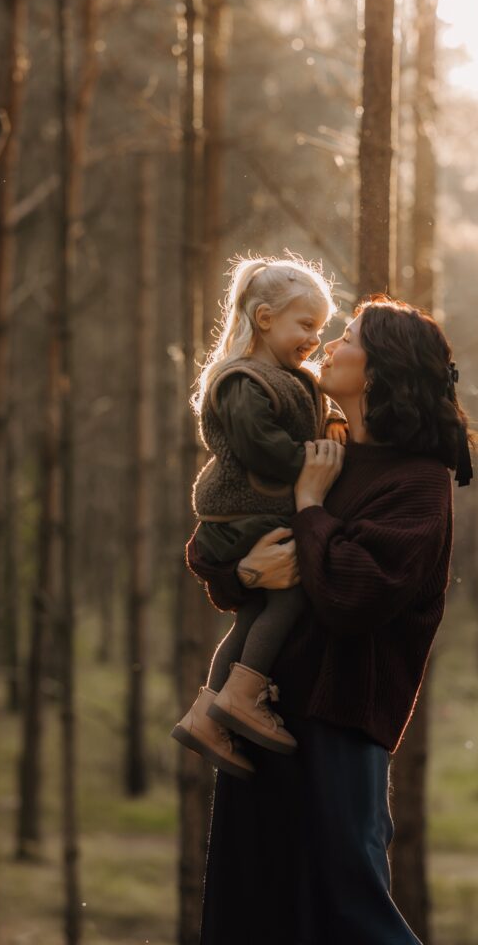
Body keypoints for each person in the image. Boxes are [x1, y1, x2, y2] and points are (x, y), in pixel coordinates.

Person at [185, 294, 478, 945]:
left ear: (377, 372)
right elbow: (225, 551)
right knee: (248, 908)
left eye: (349, 339)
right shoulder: (321, 452)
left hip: (339, 722)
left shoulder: (417, 483)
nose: (331, 347)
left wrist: (312, 508)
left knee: (350, 913)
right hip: (256, 716)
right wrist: (245, 575)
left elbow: (352, 595)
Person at [171, 255, 348, 778]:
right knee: (291, 591)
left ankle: (209, 713)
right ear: (266, 318)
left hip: (257, 513)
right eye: (306, 325)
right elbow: (259, 445)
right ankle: (245, 697)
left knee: (254, 615)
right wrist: (310, 467)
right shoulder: (242, 380)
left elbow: (316, 414)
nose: (315, 338)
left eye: (321, 327)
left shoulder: (291, 377)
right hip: (240, 515)